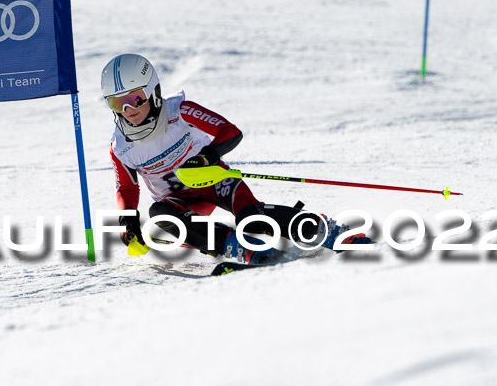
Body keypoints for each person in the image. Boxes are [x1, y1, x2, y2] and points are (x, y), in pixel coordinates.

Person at [102, 53, 370, 264]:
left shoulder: (179, 111)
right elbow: (127, 187)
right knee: (160, 213)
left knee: (252, 218)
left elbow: (230, 132)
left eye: (135, 99)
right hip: (180, 203)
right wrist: (128, 221)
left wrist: (206, 157)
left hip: (216, 183)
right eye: (117, 103)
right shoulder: (121, 147)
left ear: (152, 91)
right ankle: (241, 248)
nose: (128, 110)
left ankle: (328, 231)